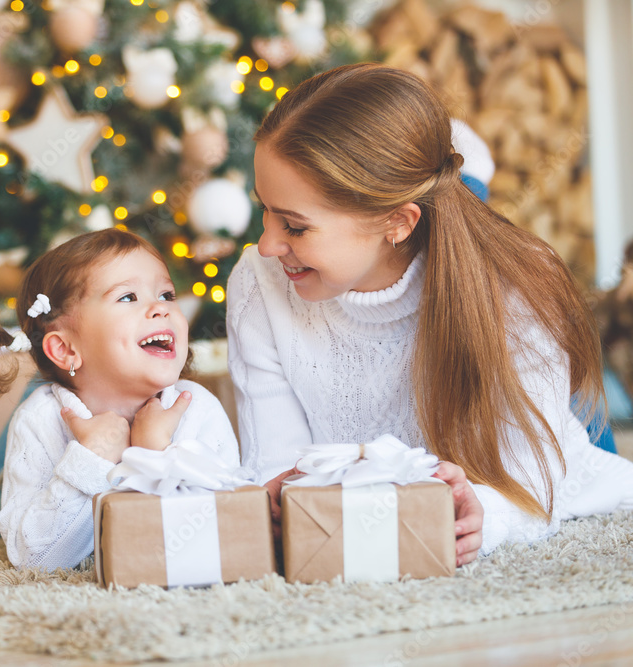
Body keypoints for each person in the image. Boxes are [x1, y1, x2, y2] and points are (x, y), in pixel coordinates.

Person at [227, 63, 633, 567]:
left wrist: (483, 513)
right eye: (264, 210)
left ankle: (471, 177)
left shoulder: (516, 288)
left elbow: (533, 481)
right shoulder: (258, 282)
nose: (266, 245)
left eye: (294, 225)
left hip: (551, 477)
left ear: (397, 221)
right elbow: (276, 466)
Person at [0, 229, 241, 570]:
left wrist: (156, 453)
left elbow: (229, 528)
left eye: (166, 294)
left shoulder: (196, 408)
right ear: (65, 348)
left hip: (77, 382)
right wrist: (92, 459)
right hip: (37, 450)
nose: (160, 309)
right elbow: (35, 558)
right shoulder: (40, 419)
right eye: (127, 297)